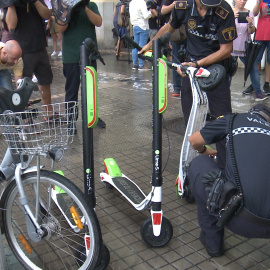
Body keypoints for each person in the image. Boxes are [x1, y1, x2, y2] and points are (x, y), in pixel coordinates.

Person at [140, 0, 237, 169]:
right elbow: (168, 29)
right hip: (191, 70)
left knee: (223, 122)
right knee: (190, 119)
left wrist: (197, 64)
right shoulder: (182, 6)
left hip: (216, 71)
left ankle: (225, 170)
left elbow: (226, 49)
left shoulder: (224, 11)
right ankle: (195, 162)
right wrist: (150, 44)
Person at [188, 104, 270, 257]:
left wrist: (205, 151)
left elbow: (194, 140)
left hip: (240, 218)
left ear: (251, 113)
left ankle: (213, 243)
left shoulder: (234, 120)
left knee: (198, 165)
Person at [56, 0, 106, 130]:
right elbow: (60, 28)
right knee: (71, 91)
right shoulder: (63, 6)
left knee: (90, 89)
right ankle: (71, 121)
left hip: (89, 55)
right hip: (71, 57)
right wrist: (68, 10)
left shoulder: (91, 5)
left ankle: (92, 117)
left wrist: (84, 6)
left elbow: (98, 22)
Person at [5, 1, 54, 113]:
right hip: (22, 49)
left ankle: (49, 114)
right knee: (23, 86)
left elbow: (47, 14)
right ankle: (26, 119)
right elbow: (11, 25)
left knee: (45, 81)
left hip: (40, 46)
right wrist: (11, 4)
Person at [231, 0, 267, 101]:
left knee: (253, 68)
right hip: (230, 47)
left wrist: (250, 24)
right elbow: (223, 28)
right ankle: (224, 93)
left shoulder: (249, 13)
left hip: (245, 47)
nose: (242, 1)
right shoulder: (229, 12)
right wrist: (231, 18)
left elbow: (250, 31)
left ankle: (258, 92)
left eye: (245, 0)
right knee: (228, 71)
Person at [161, 0, 187, 97]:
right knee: (176, 60)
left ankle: (189, 86)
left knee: (191, 59)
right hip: (176, 33)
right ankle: (177, 87)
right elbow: (163, 11)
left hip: (190, 32)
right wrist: (174, 5)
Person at [129, 0, 157, 70]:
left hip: (135, 26)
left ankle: (135, 64)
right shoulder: (142, 2)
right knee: (142, 46)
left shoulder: (132, 2)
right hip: (143, 26)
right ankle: (141, 65)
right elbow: (145, 16)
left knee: (135, 46)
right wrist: (151, 11)